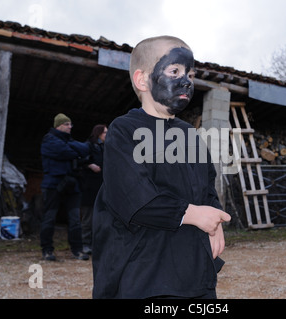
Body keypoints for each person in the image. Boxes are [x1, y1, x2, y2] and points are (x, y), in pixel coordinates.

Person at [92, 36, 231, 299]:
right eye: (175, 70)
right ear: (142, 80)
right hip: (145, 273)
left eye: (191, 73)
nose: (187, 80)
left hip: (193, 271)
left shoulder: (189, 134)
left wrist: (214, 221)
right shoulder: (124, 130)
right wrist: (194, 215)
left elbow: (206, 187)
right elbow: (133, 196)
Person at [40, 113, 90, 261]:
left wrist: (75, 151)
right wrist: (77, 154)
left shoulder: (68, 140)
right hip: (53, 185)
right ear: (58, 126)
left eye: (70, 124)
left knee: (75, 219)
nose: (70, 127)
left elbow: (86, 150)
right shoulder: (48, 140)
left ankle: (77, 250)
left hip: (72, 186)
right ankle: (47, 250)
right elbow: (65, 152)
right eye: (67, 124)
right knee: (49, 218)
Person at [80, 124, 107, 254]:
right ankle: (85, 243)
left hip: (102, 188)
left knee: (101, 218)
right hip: (89, 187)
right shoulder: (88, 146)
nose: (107, 135)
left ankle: (97, 244)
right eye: (105, 133)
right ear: (98, 133)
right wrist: (90, 165)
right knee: (87, 217)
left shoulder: (105, 148)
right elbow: (80, 161)